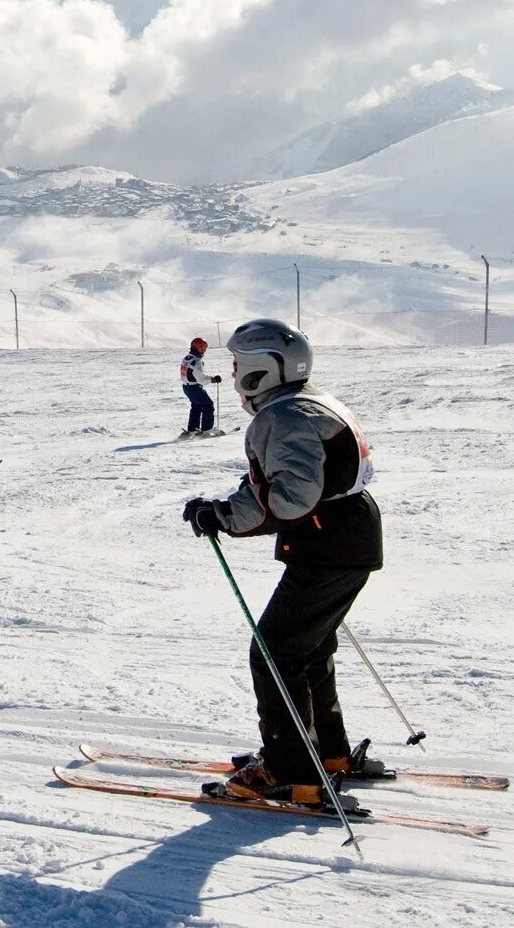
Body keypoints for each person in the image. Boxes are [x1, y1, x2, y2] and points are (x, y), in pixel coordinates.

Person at [181, 319, 383, 809]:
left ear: (260, 370)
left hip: (327, 543)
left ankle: (292, 771)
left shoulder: (283, 417)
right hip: (348, 537)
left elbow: (290, 499)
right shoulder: (310, 402)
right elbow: (288, 488)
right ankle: (327, 754)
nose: (232, 377)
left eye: (237, 367)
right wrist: (227, 509)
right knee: (307, 649)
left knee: (274, 652)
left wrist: (222, 517)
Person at [179, 337, 223, 437]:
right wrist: (213, 379)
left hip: (186, 387)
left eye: (204, 348)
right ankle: (206, 430)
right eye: (202, 348)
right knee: (208, 405)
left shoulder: (187, 358)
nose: (203, 351)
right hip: (194, 388)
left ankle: (192, 429)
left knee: (196, 406)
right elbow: (201, 379)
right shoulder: (197, 361)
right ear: (197, 348)